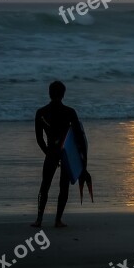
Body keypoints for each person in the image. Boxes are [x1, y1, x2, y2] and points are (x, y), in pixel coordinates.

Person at [31, 81, 87, 228]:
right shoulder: (69, 112)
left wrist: (48, 153)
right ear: (63, 94)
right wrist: (81, 158)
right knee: (64, 187)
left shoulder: (41, 112)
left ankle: (39, 220)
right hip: (66, 154)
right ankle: (58, 220)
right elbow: (79, 137)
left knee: (45, 186)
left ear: (49, 93)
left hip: (51, 153)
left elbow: (39, 139)